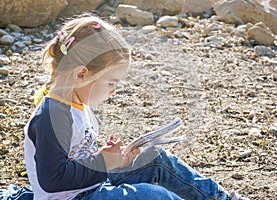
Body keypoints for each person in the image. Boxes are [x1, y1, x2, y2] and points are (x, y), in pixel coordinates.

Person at [24, 14, 247, 200]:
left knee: (155, 159)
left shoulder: (76, 102)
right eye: (111, 83)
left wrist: (113, 158)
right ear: (82, 74)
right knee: (151, 196)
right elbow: (52, 180)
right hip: (74, 197)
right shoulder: (53, 116)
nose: (113, 91)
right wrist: (102, 162)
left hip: (89, 188)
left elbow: (76, 155)